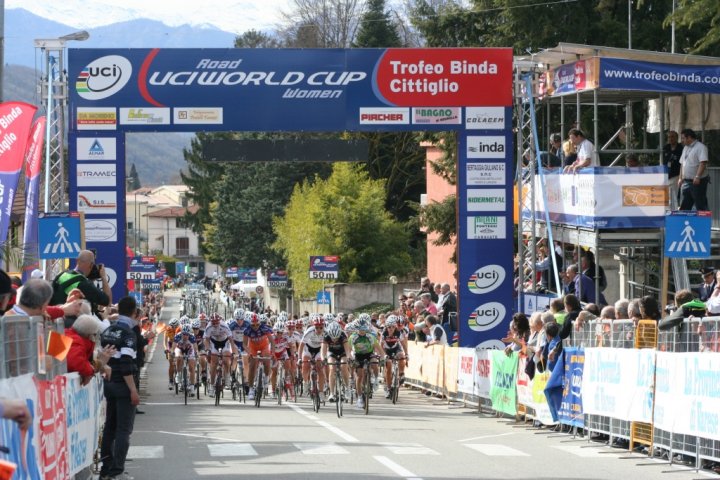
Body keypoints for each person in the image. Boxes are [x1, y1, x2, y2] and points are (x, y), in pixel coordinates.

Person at [99, 296, 140, 480]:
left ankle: (106, 469)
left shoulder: (108, 330)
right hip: (123, 385)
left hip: (108, 383)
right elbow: (126, 364)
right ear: (134, 312)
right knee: (123, 430)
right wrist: (133, 390)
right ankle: (117, 471)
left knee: (110, 427)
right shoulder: (128, 334)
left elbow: (101, 356)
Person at [66, 314, 115, 385]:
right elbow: (76, 363)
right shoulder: (76, 341)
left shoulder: (69, 334)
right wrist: (99, 363)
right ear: (90, 335)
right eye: (95, 335)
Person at [677, 128, 709, 211]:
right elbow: (682, 164)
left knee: (700, 204)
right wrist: (680, 178)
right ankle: (683, 223)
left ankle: (703, 223)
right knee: (685, 205)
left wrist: (698, 176)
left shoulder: (701, 147)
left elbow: (703, 163)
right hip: (686, 181)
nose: (682, 141)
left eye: (683, 138)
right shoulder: (685, 148)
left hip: (698, 182)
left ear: (689, 137)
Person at [663, 130, 683, 204]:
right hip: (666, 175)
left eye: (672, 137)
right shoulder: (665, 148)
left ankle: (673, 212)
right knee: (666, 196)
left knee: (674, 196)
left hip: (676, 175)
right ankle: (667, 211)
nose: (670, 139)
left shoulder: (681, 148)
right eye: (668, 137)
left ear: (677, 138)